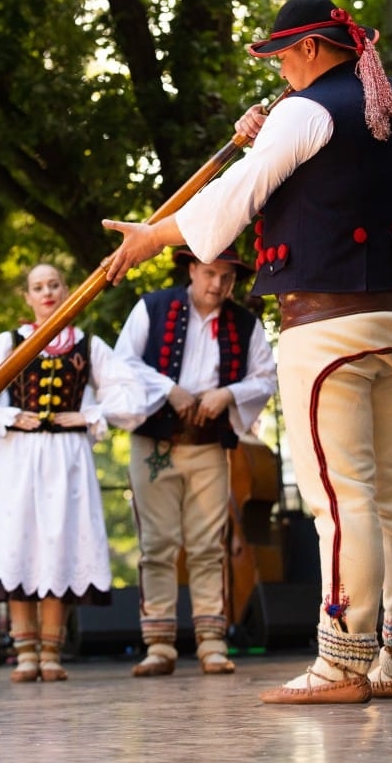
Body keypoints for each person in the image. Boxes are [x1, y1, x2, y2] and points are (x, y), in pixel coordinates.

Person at [101, 0, 392, 704]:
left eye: (283, 57)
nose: (281, 70)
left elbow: (232, 206)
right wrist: (269, 133)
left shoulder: (304, 110)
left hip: (327, 331)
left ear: (312, 49)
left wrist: (153, 236)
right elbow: (321, 171)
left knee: (342, 500)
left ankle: (341, 663)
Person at [0, 262, 145, 683]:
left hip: (67, 460)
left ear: (66, 289)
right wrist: (5, 413)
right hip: (18, 458)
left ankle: (51, 651)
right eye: (38, 286)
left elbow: (131, 394)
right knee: (19, 543)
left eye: (54, 284)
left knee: (60, 544)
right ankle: (24, 653)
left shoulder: (88, 345)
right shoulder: (10, 343)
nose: (47, 292)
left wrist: (92, 414)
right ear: (28, 297)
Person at [114, 244, 276, 677]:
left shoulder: (246, 323)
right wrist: (169, 389)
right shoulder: (153, 306)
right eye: (209, 273)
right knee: (157, 545)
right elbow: (122, 363)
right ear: (191, 268)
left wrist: (229, 394)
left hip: (208, 445)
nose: (218, 284)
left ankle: (212, 642)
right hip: (155, 444)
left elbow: (265, 377)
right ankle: (159, 645)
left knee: (209, 546)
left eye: (227, 277)